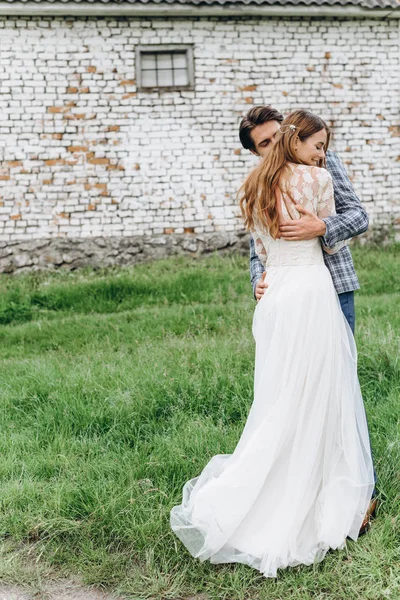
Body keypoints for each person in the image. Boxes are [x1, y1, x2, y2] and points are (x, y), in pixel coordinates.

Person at [170, 110, 376, 578]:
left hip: (326, 287)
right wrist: (259, 280)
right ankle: (313, 493)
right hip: (297, 290)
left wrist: (320, 229)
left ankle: (356, 491)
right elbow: (254, 251)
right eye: (261, 145)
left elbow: (357, 216)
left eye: (272, 139)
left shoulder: (317, 165)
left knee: (334, 388)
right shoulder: (296, 177)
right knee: (297, 394)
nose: (270, 148)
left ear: (285, 132)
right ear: (256, 148)